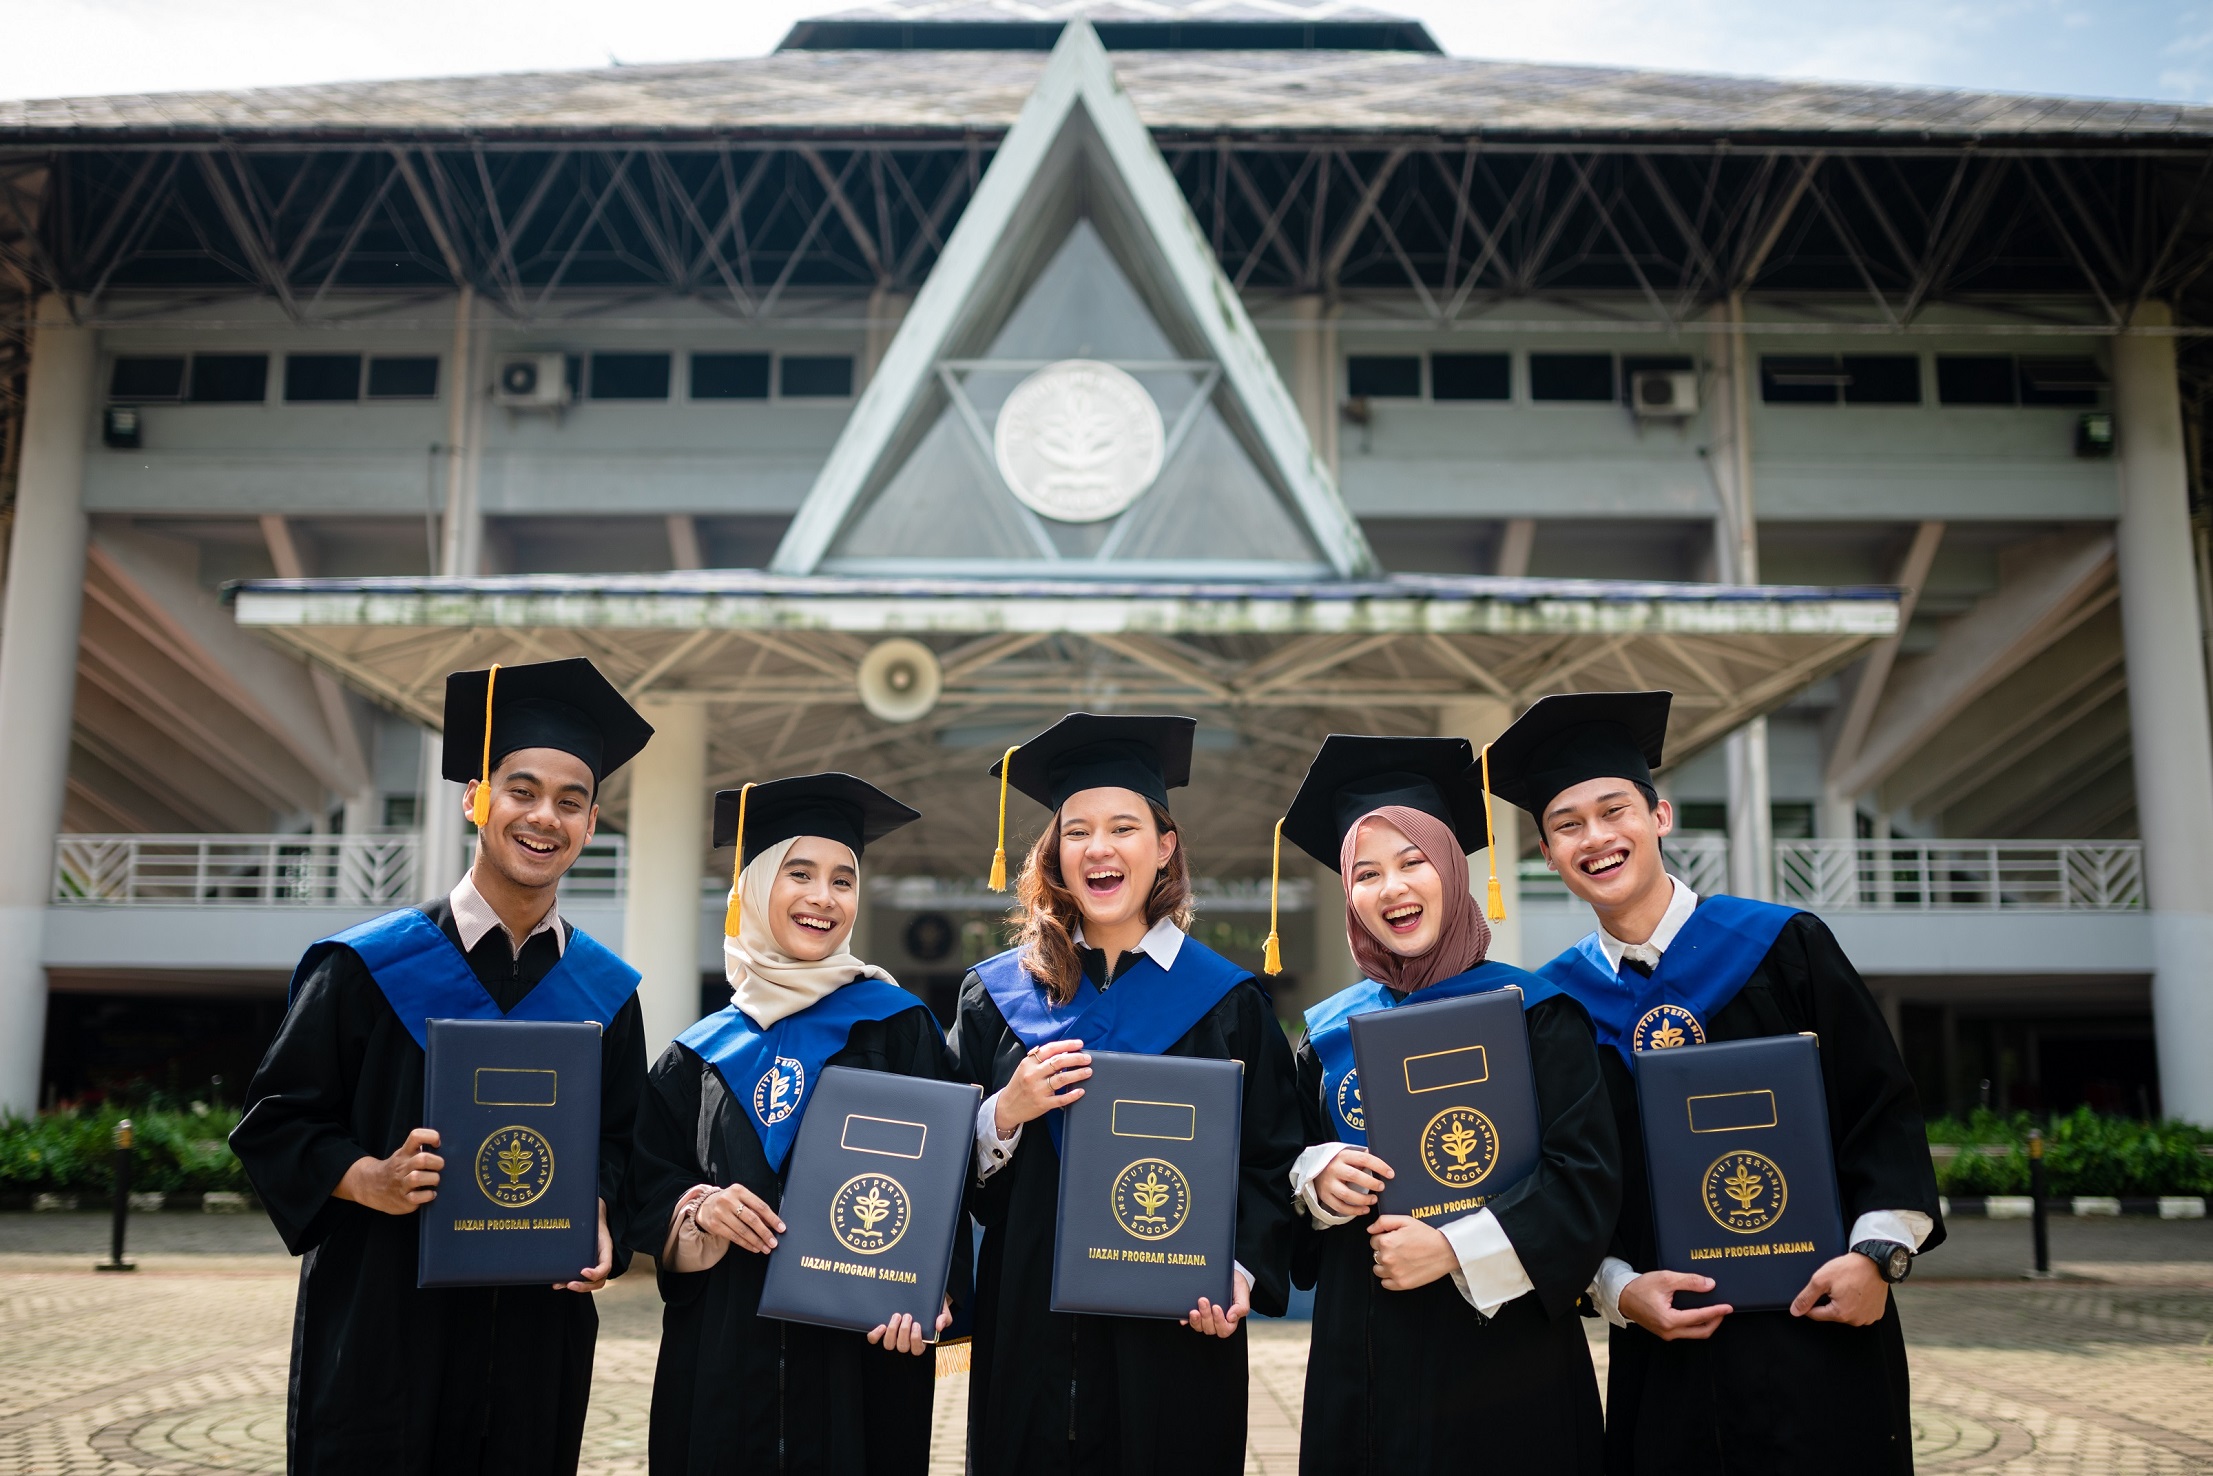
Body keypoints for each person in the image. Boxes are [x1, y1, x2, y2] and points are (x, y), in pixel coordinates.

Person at [1493, 691, 1943, 1476]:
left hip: (1819, 1321)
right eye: (1567, 825)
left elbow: (1879, 1109)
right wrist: (1617, 1289)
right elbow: (1565, 1179)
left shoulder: (1783, 946)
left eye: (1613, 811)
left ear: (1659, 816)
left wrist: (1876, 1258)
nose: (1595, 838)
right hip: (1667, 1345)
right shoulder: (1556, 1006)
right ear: (1547, 852)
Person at [230, 657, 655, 1475]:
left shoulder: (606, 993)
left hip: (536, 1335)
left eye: (570, 801)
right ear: (475, 800)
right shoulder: (365, 967)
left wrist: (601, 1208)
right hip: (385, 1328)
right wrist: (368, 1178)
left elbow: (623, 1143)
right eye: (521, 791)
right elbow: (276, 1122)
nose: (544, 817)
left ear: (592, 823)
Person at [948, 713, 1303, 1476]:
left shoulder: (1227, 1003)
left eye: (1123, 828)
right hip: (1030, 1333)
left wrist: (1239, 1271)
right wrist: (1003, 1114)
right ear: (1054, 854)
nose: (1098, 848)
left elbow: (1272, 1162)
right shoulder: (995, 998)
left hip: (1176, 1333)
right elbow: (944, 1174)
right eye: (1076, 832)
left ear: (1164, 846)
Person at [1278, 735, 1619, 1475]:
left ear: (1453, 867)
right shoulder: (1327, 1035)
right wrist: (1317, 1182)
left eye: (1413, 862)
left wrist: (1453, 1248)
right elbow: (1280, 1178)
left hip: (1507, 1365)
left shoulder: (1536, 1012)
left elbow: (1585, 1181)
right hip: (1363, 1363)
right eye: (1366, 873)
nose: (1392, 889)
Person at [624, 772, 961, 1476]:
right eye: (799, 873)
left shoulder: (898, 1028)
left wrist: (935, 1290)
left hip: (862, 1357)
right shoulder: (696, 1055)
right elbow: (646, 1180)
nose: (823, 897)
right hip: (722, 1359)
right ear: (752, 889)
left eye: (843, 880)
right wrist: (698, 1208)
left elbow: (948, 1184)